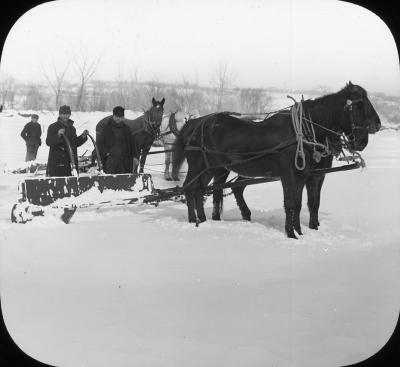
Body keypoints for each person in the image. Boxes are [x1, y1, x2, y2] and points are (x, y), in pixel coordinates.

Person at [46, 105, 88, 177]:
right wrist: (58, 135)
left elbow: (75, 143)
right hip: (58, 162)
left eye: (67, 114)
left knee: (72, 184)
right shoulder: (53, 127)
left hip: (71, 162)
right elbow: (49, 142)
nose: (65, 116)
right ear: (59, 114)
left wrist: (83, 136)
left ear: (70, 114)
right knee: (59, 184)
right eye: (63, 114)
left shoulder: (72, 128)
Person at [97, 106, 139, 174]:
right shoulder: (107, 129)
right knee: (110, 179)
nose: (118, 118)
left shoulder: (127, 129)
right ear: (113, 116)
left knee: (122, 180)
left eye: (120, 116)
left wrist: (135, 157)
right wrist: (107, 153)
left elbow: (132, 145)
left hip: (124, 160)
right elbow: (100, 144)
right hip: (110, 159)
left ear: (123, 117)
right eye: (116, 116)